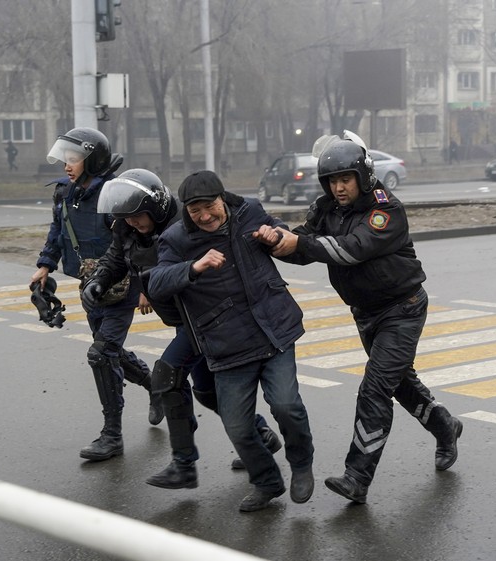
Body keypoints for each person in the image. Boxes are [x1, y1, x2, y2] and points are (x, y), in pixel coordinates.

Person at [256, 132, 462, 505]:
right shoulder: (326, 208)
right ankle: (445, 426)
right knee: (399, 384)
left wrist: (299, 243)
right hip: (365, 312)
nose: (338, 188)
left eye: (345, 179)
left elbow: (352, 250)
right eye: (332, 181)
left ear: (362, 177)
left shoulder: (386, 210)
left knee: (375, 388)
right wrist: (274, 240)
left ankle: (357, 476)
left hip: (403, 308)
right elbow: (305, 245)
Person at [84, 169, 282, 489]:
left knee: (167, 375)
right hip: (184, 320)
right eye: (126, 218)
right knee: (206, 391)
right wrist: (99, 281)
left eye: (137, 216)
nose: (132, 223)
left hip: (208, 317)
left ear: (157, 206)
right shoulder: (126, 228)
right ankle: (260, 435)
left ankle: (184, 464)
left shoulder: (185, 225)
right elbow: (116, 258)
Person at [147, 170, 314, 512]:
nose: (205, 216)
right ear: (186, 211)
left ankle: (301, 465)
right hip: (227, 343)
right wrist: (194, 266)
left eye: (209, 206)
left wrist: (276, 234)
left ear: (222, 198)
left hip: (273, 329)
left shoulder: (249, 211)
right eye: (196, 211)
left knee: (286, 405)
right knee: (237, 426)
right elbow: (157, 282)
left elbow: (284, 237)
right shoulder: (176, 239)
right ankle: (267, 482)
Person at [31, 128, 164, 462]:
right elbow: (58, 230)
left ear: (92, 160)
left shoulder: (114, 194)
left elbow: (138, 239)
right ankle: (156, 386)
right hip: (90, 285)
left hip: (123, 286)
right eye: (65, 159)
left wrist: (146, 287)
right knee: (112, 353)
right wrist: (45, 265)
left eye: (73, 159)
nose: (67, 165)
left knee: (101, 355)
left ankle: (112, 436)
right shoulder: (65, 192)